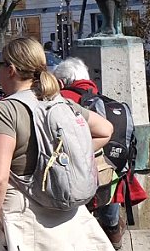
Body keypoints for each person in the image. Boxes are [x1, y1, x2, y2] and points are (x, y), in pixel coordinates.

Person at [0, 38, 114, 250]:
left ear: (11, 70)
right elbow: (106, 130)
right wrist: (67, 157)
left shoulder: (6, 110)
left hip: (24, 219)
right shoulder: (61, 102)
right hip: (68, 220)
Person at [53, 57, 124, 249]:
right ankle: (114, 233)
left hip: (75, 173)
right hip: (110, 171)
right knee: (109, 193)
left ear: (60, 82)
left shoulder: (63, 100)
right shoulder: (104, 99)